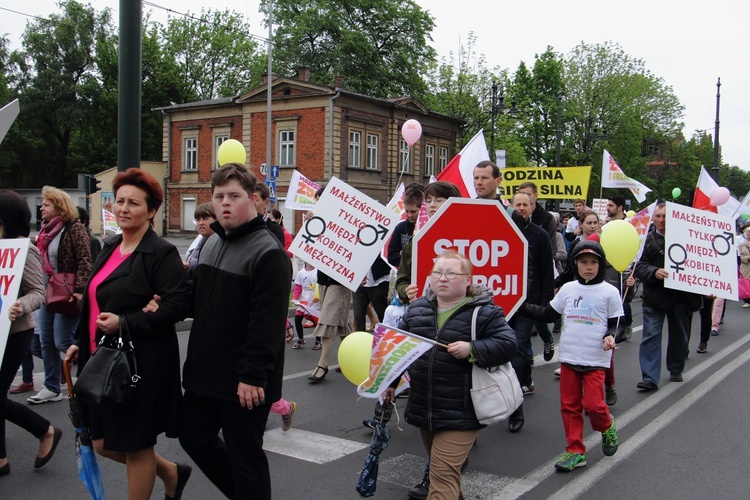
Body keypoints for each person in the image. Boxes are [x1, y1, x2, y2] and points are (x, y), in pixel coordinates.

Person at [64, 169, 193, 499]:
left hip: (140, 365)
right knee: (100, 441)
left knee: (136, 444)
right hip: (101, 358)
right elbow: (93, 299)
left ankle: (161, 477)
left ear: (151, 211)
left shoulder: (159, 252)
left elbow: (178, 304)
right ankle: (171, 472)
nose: (123, 208)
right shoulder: (109, 246)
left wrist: (127, 321)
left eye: (133, 203)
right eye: (119, 201)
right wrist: (81, 342)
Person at [178, 163, 291, 499]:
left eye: (234, 196)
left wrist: (253, 375)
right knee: (192, 436)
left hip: (245, 382)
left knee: (247, 460)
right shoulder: (211, 243)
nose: (224, 202)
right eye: (219, 196)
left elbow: (267, 324)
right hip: (206, 375)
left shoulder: (268, 253)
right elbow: (197, 300)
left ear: (253, 200)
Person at [383, 250, 517, 499]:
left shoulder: (483, 312)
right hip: (425, 407)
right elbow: (399, 348)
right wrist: (390, 383)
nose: (443, 278)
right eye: (437, 272)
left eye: (451, 273)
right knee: (447, 477)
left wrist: (472, 349)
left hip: (463, 410)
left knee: (442, 474)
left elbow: (509, 344)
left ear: (468, 280)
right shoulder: (416, 310)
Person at [518, 241, 621, 471]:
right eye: (583, 262)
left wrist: (612, 336)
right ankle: (575, 451)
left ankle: (607, 426)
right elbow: (546, 314)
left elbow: (616, 326)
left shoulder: (610, 292)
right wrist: (518, 305)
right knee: (570, 406)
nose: (588, 267)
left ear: (601, 264)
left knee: (594, 406)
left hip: (595, 361)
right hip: (570, 359)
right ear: (575, 264)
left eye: (594, 262)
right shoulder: (568, 289)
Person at [0, 190, 63, 477]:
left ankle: (45, 430)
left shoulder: (24, 250)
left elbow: (38, 291)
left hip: (14, 333)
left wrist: (19, 305)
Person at [29, 186, 93, 404]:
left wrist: (80, 290)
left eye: (46, 205)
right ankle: (52, 386)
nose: (41, 209)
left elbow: (85, 259)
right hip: (49, 292)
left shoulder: (74, 228)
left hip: (67, 293)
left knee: (61, 340)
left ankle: (92, 371)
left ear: (59, 207)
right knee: (46, 340)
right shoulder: (46, 231)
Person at [634, 203, 702, 390]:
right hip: (654, 298)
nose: (661, 220)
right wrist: (654, 272)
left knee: (679, 335)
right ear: (653, 218)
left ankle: (676, 368)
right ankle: (649, 377)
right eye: (658, 216)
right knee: (650, 336)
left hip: (680, 298)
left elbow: (701, 266)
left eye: (665, 216)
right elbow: (638, 266)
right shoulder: (646, 241)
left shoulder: (688, 240)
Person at [507, 191, 554, 432]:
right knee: (515, 349)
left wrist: (546, 301)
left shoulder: (540, 235)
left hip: (529, 303)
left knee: (518, 345)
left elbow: (547, 269)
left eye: (526, 204)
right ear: (512, 207)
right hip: (503, 304)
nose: (522, 208)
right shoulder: (502, 232)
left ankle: (515, 407)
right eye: (518, 204)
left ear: (533, 208)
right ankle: (524, 380)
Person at [387, 186, 423, 268]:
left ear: (421, 208)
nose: (409, 215)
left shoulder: (428, 227)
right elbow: (391, 257)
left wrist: (403, 255)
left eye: (413, 212)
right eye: (407, 211)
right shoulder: (400, 227)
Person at [291, 262, 318, 349]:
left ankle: (318, 341)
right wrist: (295, 298)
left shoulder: (317, 271)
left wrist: (318, 297)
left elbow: (320, 286)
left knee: (316, 322)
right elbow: (298, 287)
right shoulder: (301, 273)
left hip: (315, 302)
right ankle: (301, 339)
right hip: (304, 302)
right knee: (297, 319)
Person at [184, 203, 216, 274]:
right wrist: (188, 268)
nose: (201, 223)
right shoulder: (199, 242)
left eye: (205, 219)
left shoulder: (220, 243)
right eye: (198, 219)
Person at [739, 225, 750, 308]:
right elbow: (740, 256)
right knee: (746, 282)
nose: (749, 234)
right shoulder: (742, 244)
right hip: (746, 266)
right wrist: (747, 258)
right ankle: (746, 301)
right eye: (748, 232)